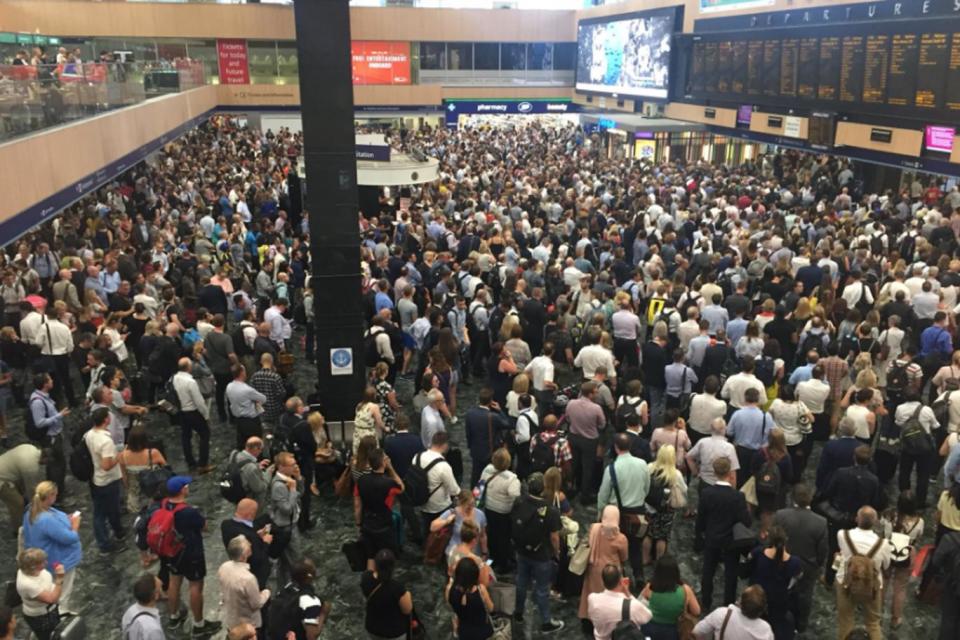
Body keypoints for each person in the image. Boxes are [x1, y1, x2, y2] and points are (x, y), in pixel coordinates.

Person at [158, 476, 221, 637]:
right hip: (191, 553)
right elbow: (204, 526)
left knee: (174, 581)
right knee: (196, 587)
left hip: (172, 551)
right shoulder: (188, 512)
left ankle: (174, 616)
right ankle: (199, 625)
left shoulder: (165, 503)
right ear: (182, 490)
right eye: (186, 486)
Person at [696, 457, 752, 611]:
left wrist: (699, 537)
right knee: (731, 574)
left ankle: (706, 602)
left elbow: (701, 517)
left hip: (712, 538)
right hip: (731, 540)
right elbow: (747, 522)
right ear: (730, 473)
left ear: (715, 472)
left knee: (708, 571)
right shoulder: (737, 496)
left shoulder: (707, 493)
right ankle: (728, 604)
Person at [512, 472, 565, 634]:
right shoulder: (551, 510)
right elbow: (555, 537)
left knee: (521, 583)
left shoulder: (519, 501)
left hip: (521, 551)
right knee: (542, 589)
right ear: (543, 489)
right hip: (541, 555)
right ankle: (546, 622)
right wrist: (557, 553)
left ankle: (518, 614)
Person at [772, 484, 828, 635]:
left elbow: (773, 540)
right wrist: (818, 564)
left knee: (781, 591)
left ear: (793, 497)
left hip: (782, 561)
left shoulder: (780, 515)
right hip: (808, 565)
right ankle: (801, 626)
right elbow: (822, 550)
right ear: (810, 498)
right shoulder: (821, 522)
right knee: (805, 596)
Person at [597, 432, 650, 583]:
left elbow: (603, 494)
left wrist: (601, 512)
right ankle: (639, 575)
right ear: (630, 446)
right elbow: (647, 488)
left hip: (618, 514)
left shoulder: (612, 468)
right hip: (638, 512)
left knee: (617, 546)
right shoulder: (642, 464)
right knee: (635, 546)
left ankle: (621, 577)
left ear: (615, 447)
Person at [835, 507, 891, 640]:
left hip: (845, 582)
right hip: (872, 587)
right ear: (875, 522)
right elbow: (886, 565)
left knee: (845, 621)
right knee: (873, 623)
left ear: (856, 519)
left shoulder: (843, 534)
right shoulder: (883, 544)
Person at [745, 526, 801, 639]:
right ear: (786, 540)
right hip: (779, 602)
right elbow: (794, 582)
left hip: (757, 597)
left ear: (769, 539)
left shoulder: (759, 552)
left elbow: (748, 561)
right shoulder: (795, 562)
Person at [83, 406, 126, 554]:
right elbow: (106, 465)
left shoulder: (89, 434)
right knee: (110, 511)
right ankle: (109, 541)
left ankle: (114, 535)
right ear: (106, 420)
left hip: (97, 479)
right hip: (108, 480)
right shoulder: (106, 442)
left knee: (99, 513)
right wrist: (118, 458)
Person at [879, 490, 924, 630]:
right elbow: (918, 537)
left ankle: (877, 614)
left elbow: (882, 531)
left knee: (883, 582)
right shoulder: (919, 522)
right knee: (900, 588)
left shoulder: (887, 515)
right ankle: (895, 618)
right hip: (906, 555)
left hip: (887, 552)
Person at [578, 505, 628, 621]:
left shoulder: (594, 528)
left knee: (589, 593)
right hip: (611, 572)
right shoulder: (621, 538)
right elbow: (624, 557)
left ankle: (588, 617)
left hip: (593, 567)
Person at [355, 447, 404, 569]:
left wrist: (358, 524)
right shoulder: (388, 483)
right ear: (383, 462)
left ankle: (370, 582)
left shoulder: (361, 480)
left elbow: (357, 505)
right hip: (384, 526)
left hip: (367, 524)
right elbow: (402, 487)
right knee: (386, 558)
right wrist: (391, 468)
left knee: (370, 556)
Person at [477, 447, 521, 573]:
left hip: (489, 509)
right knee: (503, 538)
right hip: (504, 513)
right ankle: (504, 565)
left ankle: (493, 559)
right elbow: (515, 496)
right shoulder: (512, 479)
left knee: (491, 535)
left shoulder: (487, 470)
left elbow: (480, 485)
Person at [640, 555, 701, 640]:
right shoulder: (685, 590)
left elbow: (639, 603)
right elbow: (697, 611)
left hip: (650, 629)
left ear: (657, 572)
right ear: (676, 572)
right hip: (673, 631)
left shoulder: (650, 587)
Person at [217, 535, 270, 633]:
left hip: (231, 619)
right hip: (248, 624)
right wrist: (266, 592)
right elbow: (256, 604)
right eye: (248, 544)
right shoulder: (248, 579)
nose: (250, 544)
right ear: (244, 555)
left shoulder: (224, 567)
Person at [894, 390, 938, 507]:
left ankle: (904, 496)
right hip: (925, 448)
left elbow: (898, 422)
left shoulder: (900, 408)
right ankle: (920, 500)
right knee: (923, 475)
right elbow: (935, 425)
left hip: (907, 446)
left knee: (904, 472)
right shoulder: (927, 410)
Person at [586, 563, 652, 640]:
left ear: (603, 582)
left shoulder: (592, 599)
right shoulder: (632, 605)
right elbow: (648, 616)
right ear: (621, 581)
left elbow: (591, 616)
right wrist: (628, 593)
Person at [29, 373, 69, 498]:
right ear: (45, 384)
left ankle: (59, 491)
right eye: (50, 379)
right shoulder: (38, 402)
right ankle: (56, 495)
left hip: (55, 435)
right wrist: (59, 416)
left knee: (59, 465)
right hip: (50, 438)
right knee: (55, 468)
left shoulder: (43, 396)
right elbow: (39, 422)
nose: (52, 380)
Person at [645, 445, 687, 564]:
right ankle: (659, 561)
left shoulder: (650, 467)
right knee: (662, 537)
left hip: (649, 506)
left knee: (648, 533)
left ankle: (645, 558)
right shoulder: (675, 474)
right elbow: (684, 489)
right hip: (666, 510)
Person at [172, 357, 214, 474]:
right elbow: (199, 401)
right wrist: (206, 416)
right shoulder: (190, 382)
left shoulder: (174, 378)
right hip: (193, 412)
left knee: (185, 436)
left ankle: (190, 461)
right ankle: (203, 464)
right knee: (204, 435)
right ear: (188, 367)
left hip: (182, 411)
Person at [566, 381, 607, 503]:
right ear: (590, 394)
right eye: (595, 391)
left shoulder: (571, 403)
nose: (597, 393)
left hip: (573, 437)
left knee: (572, 465)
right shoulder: (596, 408)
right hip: (589, 441)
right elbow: (602, 424)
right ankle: (585, 496)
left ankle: (569, 490)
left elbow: (567, 418)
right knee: (587, 468)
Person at [727, 388, 775, 488]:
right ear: (758, 400)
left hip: (740, 451)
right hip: (759, 452)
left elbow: (729, 432)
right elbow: (773, 433)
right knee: (756, 479)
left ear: (745, 398)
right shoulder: (766, 416)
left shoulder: (737, 414)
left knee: (740, 478)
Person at [220, 498, 273, 591]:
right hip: (255, 575)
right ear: (251, 514)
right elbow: (258, 559)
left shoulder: (225, 525)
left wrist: (257, 535)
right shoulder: (250, 537)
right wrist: (265, 543)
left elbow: (242, 531)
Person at [273, 559, 332, 640]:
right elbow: (312, 636)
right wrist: (323, 614)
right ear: (310, 576)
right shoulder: (310, 601)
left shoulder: (285, 589)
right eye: (313, 568)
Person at [361, 549, 413, 640]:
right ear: (393, 567)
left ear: (376, 565)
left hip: (372, 627)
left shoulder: (366, 578)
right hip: (394, 632)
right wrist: (408, 594)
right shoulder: (397, 588)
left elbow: (369, 568)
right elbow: (407, 610)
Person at [269, 452, 303, 588]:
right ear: (281, 467)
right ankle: (297, 587)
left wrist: (299, 479)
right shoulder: (278, 486)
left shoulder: (290, 479)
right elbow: (287, 509)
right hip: (285, 527)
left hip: (291, 523)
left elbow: (300, 495)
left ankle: (284, 587)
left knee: (285, 562)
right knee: (295, 560)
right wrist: (293, 489)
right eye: (292, 465)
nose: (295, 466)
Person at [464, 387, 510, 488]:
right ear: (491, 401)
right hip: (489, 451)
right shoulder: (493, 417)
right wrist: (500, 410)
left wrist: (470, 446)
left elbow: (468, 433)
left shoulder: (470, 413)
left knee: (475, 475)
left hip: (475, 450)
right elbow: (507, 424)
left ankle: (474, 494)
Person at [692, 585, 774, 640]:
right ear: (761, 611)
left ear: (741, 603)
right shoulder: (766, 630)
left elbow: (697, 631)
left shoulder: (722, 614)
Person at [16, 548, 64, 640]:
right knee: (48, 636)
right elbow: (52, 599)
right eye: (42, 562)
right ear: (33, 566)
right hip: (41, 617)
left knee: (56, 631)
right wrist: (59, 579)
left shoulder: (27, 570)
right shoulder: (28, 584)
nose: (46, 563)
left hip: (50, 610)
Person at [119, 425, 168, 513]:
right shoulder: (153, 453)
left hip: (134, 492)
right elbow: (166, 467)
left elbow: (124, 476)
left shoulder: (123, 455)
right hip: (152, 491)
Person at [446, 556, 495, 640]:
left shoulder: (449, 589)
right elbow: (491, 608)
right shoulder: (481, 590)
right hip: (483, 631)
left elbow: (450, 606)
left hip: (463, 631)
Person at [0, 443, 43, 537]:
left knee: (23, 497)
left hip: (6, 471)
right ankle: (19, 530)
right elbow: (31, 491)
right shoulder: (31, 467)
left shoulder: (31, 448)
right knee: (17, 503)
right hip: (2, 480)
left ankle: (25, 521)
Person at [686, 417, 739, 489]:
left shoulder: (703, 442)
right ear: (724, 430)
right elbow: (732, 473)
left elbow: (688, 457)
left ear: (711, 429)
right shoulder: (729, 447)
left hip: (704, 482)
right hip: (722, 484)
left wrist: (695, 472)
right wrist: (733, 490)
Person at [226, 364, 266, 450]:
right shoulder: (247, 390)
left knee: (242, 444)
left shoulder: (229, 386)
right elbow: (263, 398)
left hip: (239, 420)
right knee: (256, 445)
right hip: (251, 422)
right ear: (242, 373)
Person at [120, 573, 166, 640]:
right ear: (156, 595)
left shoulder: (130, 611)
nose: (162, 583)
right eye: (160, 587)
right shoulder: (153, 629)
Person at [249, 352, 287, 429]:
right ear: (272, 362)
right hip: (275, 411)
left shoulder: (254, 377)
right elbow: (282, 394)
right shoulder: (275, 377)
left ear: (261, 362)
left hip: (261, 411)